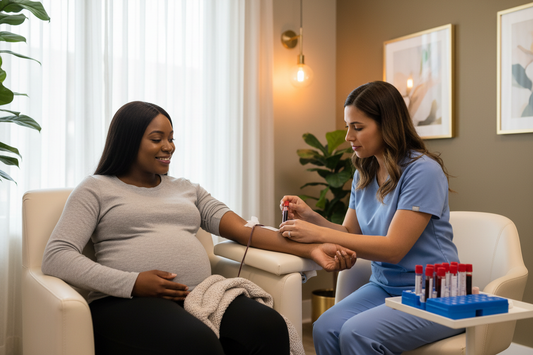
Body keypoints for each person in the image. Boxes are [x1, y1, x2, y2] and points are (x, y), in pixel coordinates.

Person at [42, 101, 356, 355]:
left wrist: (311, 248)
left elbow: (245, 230)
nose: (169, 146)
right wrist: (133, 283)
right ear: (128, 142)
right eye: (157, 138)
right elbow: (56, 256)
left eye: (171, 137)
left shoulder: (187, 189)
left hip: (200, 295)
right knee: (197, 345)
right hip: (125, 302)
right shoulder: (96, 189)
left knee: (269, 327)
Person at [278, 81, 463, 355]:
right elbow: (350, 234)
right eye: (347, 126)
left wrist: (317, 234)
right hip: (384, 286)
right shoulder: (363, 173)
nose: (348, 137)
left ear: (387, 125)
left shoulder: (423, 171)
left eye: (358, 127)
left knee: (358, 334)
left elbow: (394, 249)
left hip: (437, 292)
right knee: (325, 327)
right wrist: (312, 216)